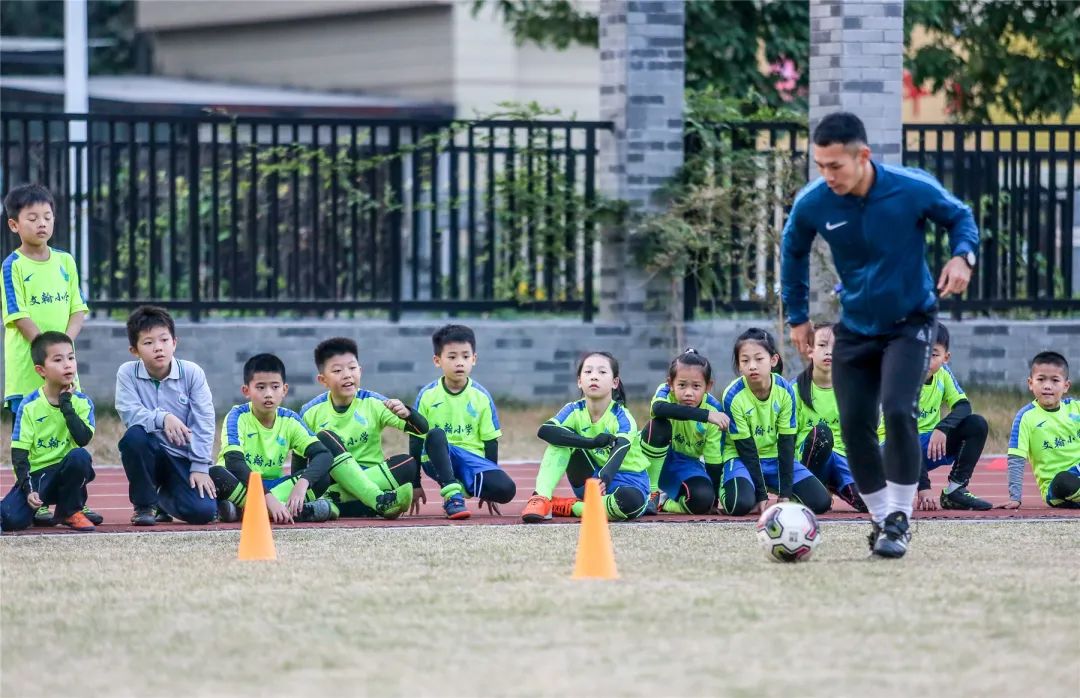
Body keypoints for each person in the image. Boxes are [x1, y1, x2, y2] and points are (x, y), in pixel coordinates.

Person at [781, 111, 979, 558]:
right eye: (820, 165)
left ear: (863, 156)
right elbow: (791, 251)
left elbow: (960, 217)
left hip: (911, 322)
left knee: (897, 409)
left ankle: (900, 519)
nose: (826, 175)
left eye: (836, 166)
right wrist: (797, 316)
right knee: (854, 424)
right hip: (856, 326)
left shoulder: (909, 187)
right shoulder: (816, 201)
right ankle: (881, 521)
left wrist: (962, 256)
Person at [209, 353, 412, 524]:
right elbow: (234, 462)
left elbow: (323, 455)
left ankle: (245, 511)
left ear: (284, 390)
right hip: (245, 485)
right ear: (247, 391)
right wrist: (268, 499)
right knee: (217, 473)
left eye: (275, 387)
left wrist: (303, 483)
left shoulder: (289, 419)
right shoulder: (237, 416)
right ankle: (273, 509)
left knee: (320, 476)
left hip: (277, 486)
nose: (268, 394)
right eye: (261, 387)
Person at [2, 184, 92, 525]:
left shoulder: (65, 262)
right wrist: (48, 354)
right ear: (14, 225)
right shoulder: (12, 266)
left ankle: (73, 504)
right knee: (31, 437)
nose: (42, 223)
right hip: (29, 371)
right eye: (33, 218)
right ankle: (34, 498)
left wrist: (63, 354)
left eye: (48, 216)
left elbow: (78, 309)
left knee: (70, 432)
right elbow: (18, 314)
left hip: (62, 366)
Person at [298, 337, 424, 518]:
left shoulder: (375, 402)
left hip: (372, 473)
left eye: (352, 368)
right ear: (322, 379)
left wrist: (409, 413)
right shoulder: (310, 411)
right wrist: (300, 490)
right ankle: (377, 501)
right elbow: (299, 459)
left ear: (360, 371)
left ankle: (331, 504)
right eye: (337, 370)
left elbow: (421, 430)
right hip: (333, 477)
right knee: (326, 437)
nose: (347, 374)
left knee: (407, 465)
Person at [115, 305, 218, 526]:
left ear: (175, 342)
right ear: (134, 350)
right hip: (150, 452)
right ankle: (144, 506)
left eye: (164, 340)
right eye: (148, 342)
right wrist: (163, 418)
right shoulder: (127, 373)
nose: (158, 348)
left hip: (182, 458)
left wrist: (200, 465)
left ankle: (162, 499)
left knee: (203, 512)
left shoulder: (192, 373)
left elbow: (205, 420)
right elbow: (129, 413)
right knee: (134, 437)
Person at [521, 352, 650, 523]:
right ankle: (541, 498)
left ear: (615, 382)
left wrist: (604, 478)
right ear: (579, 381)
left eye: (602, 372)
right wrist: (591, 443)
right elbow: (545, 430)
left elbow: (621, 447)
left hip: (627, 483)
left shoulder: (622, 416)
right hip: (589, 482)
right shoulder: (574, 409)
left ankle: (573, 507)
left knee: (630, 502)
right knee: (559, 440)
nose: (594, 377)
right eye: (588, 372)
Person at [878, 322, 991, 511]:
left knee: (976, 424)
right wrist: (924, 487)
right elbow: (906, 434)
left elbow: (964, 407)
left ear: (946, 358)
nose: (925, 360)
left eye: (933, 354)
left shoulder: (944, 374)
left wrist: (942, 427)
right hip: (891, 451)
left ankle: (955, 490)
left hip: (928, 446)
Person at [719, 329, 832, 517]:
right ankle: (726, 488)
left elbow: (787, 444)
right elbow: (746, 449)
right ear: (739, 366)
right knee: (739, 505)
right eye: (745, 361)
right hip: (742, 458)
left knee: (821, 503)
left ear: (773, 360)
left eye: (759, 359)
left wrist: (785, 494)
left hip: (775, 458)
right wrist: (761, 495)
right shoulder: (733, 395)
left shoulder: (785, 391)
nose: (752, 366)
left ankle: (775, 486)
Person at [411, 324, 517, 518]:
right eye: (452, 357)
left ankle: (460, 485)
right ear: (437, 360)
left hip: (471, 460)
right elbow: (416, 441)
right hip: (436, 457)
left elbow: (490, 442)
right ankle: (452, 496)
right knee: (435, 435)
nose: (459, 362)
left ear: (474, 359)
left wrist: (489, 480)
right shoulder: (427, 395)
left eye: (465, 356)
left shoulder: (481, 396)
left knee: (507, 490)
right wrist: (415, 484)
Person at [1, 332, 96, 532]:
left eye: (71, 357)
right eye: (58, 360)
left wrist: (66, 405)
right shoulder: (29, 406)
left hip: (66, 472)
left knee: (80, 457)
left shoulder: (82, 402)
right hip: (38, 476)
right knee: (10, 520)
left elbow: (83, 439)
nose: (68, 364)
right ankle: (36, 507)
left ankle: (70, 511)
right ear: (41, 370)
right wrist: (29, 490)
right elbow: (20, 454)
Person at [640, 349, 729, 516]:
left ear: (708, 386)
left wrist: (713, 500)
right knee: (658, 424)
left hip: (685, 466)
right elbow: (658, 408)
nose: (688, 393)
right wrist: (706, 416)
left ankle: (665, 502)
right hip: (651, 459)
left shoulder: (715, 410)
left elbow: (713, 462)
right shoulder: (665, 392)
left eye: (696, 386)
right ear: (670, 384)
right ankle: (651, 493)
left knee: (702, 499)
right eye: (682, 385)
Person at [793, 322, 867, 512]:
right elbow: (787, 436)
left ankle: (835, 484)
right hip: (806, 459)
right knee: (822, 434)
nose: (829, 352)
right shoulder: (793, 390)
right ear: (809, 351)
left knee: (871, 503)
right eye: (823, 345)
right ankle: (809, 490)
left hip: (841, 459)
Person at [1003, 351, 1079, 510]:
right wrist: (1015, 497)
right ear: (1030, 383)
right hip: (1057, 488)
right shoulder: (1026, 417)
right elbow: (1016, 458)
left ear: (1066, 386)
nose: (1047, 386)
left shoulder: (1076, 408)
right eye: (1041, 379)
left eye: (1055, 380)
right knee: (1063, 480)